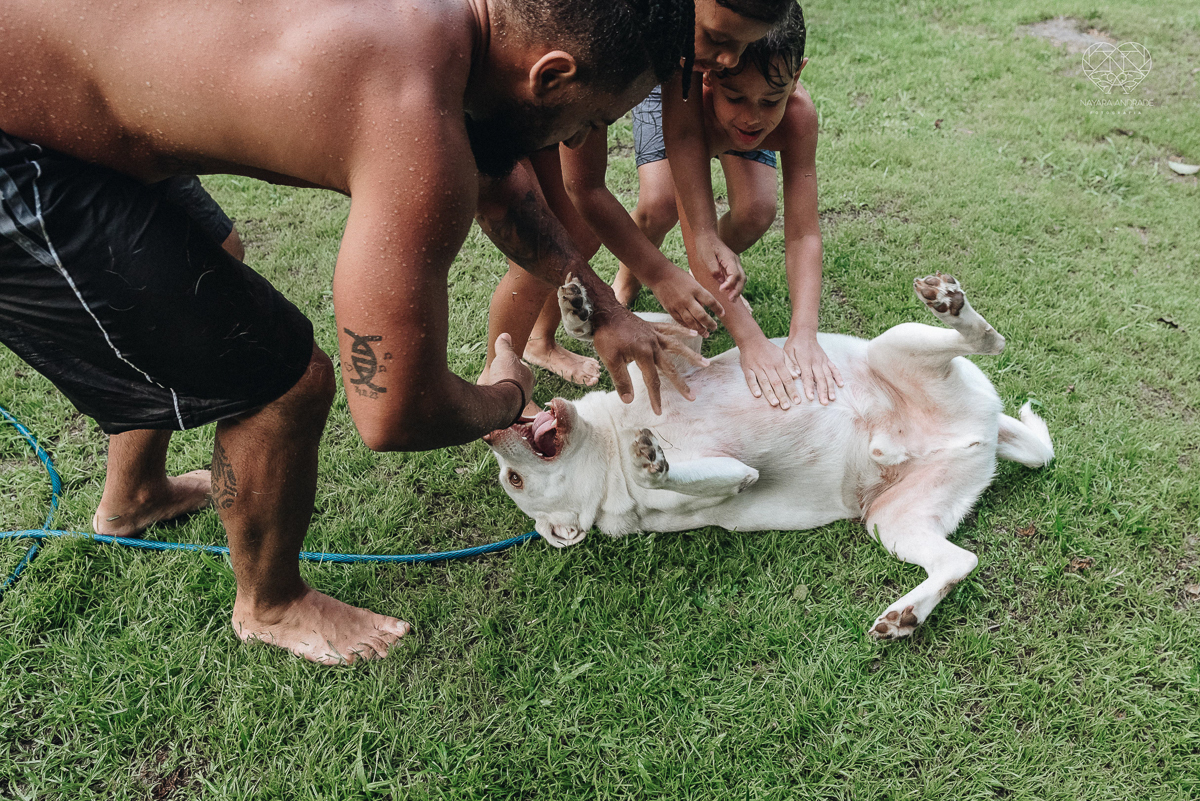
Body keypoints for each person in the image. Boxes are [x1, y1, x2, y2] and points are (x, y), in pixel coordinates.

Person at [0, 0, 698, 665]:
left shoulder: (455, 32)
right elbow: (395, 411)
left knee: (215, 265)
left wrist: (605, 310)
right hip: (22, 148)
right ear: (549, 75)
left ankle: (135, 494)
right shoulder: (414, 121)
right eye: (588, 120)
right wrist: (510, 394)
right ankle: (270, 604)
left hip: (75, 95)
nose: (577, 140)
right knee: (284, 384)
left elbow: (506, 187)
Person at [477, 0, 791, 410]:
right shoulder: (606, 39)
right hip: (524, 96)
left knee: (577, 233)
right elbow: (584, 185)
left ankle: (537, 344)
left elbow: (681, 137)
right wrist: (656, 276)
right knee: (553, 234)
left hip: (561, 87)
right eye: (718, 38)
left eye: (741, 45)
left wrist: (704, 233)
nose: (728, 60)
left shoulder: (686, 44)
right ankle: (498, 375)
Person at [655, 3, 843, 409]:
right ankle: (631, 277)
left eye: (770, 101)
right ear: (711, 75)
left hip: (721, 115)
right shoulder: (687, 94)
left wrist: (804, 331)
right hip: (691, 119)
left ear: (796, 78)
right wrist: (750, 339)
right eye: (736, 96)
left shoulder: (795, 117)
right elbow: (697, 233)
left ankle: (704, 277)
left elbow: (805, 233)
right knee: (658, 206)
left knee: (757, 210)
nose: (752, 118)